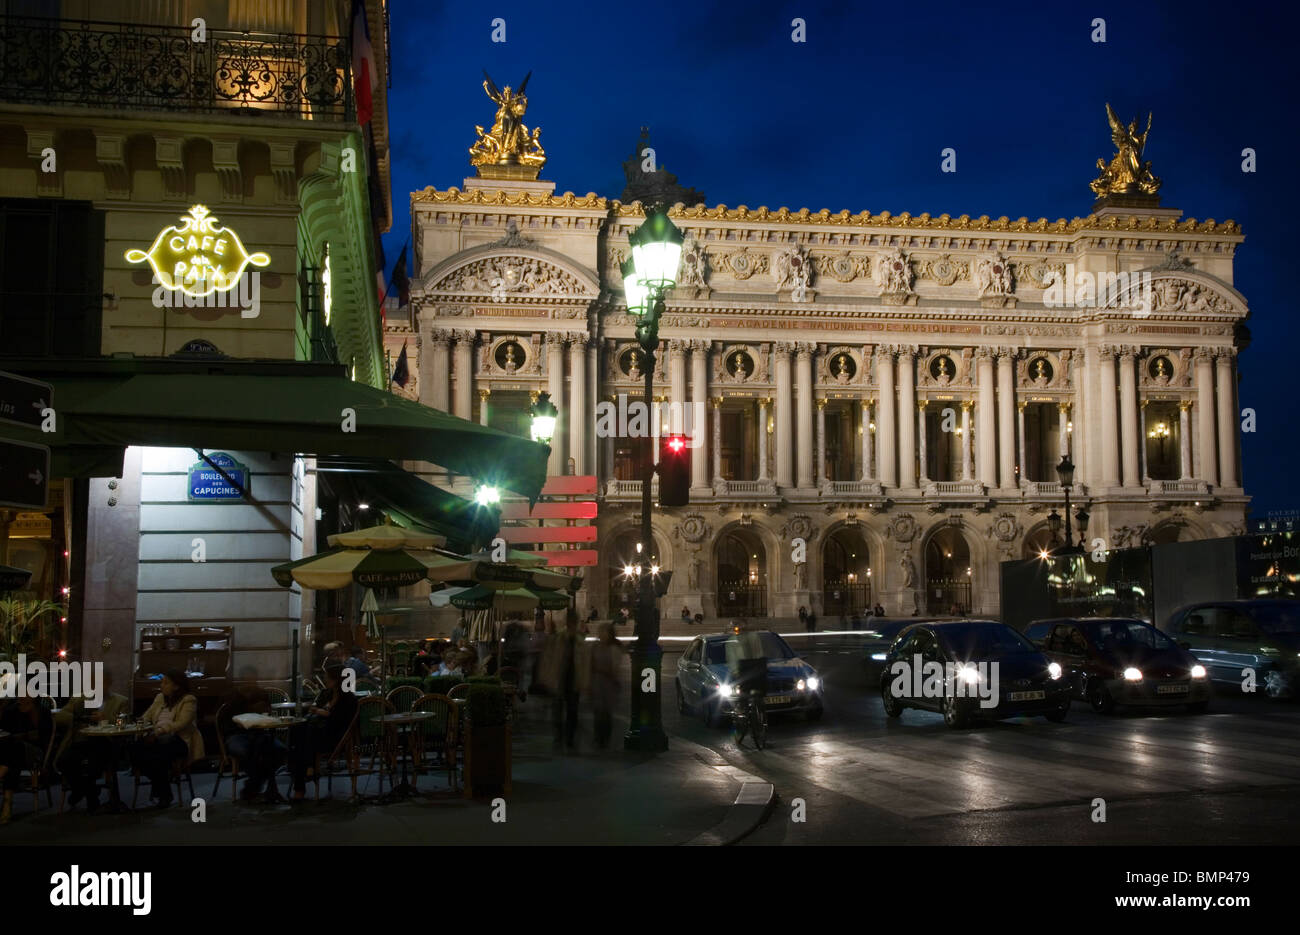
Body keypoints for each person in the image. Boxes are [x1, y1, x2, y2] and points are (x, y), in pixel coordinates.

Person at [55, 670, 128, 814]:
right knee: (63, 761)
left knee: (94, 763)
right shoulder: (79, 699)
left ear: (108, 683)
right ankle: (87, 790)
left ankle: (89, 798)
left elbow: (124, 723)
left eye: (100, 683)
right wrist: (80, 718)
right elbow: (60, 716)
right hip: (81, 741)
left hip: (105, 742)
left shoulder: (120, 701)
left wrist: (104, 718)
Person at [129, 670, 204, 808]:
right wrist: (139, 723)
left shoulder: (188, 699)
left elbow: (182, 723)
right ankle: (164, 790)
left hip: (178, 739)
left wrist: (159, 731)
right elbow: (147, 716)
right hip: (156, 738)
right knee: (133, 750)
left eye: (165, 683)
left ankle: (162, 793)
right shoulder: (160, 698)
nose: (161, 686)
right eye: (161, 682)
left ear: (176, 686)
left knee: (157, 752)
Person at [288, 664, 359, 801]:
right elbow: (313, 708)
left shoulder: (348, 699)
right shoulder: (326, 693)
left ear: (337, 680)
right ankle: (307, 770)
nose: (325, 679)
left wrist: (321, 712)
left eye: (327, 677)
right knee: (299, 730)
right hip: (317, 735)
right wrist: (321, 712)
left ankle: (301, 780)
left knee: (304, 734)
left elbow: (338, 720)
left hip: (334, 737)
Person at [219, 669, 286, 803]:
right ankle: (261, 788)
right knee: (250, 751)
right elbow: (226, 718)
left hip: (260, 732)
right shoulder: (232, 695)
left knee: (280, 750)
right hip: (236, 735)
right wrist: (249, 707)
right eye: (247, 680)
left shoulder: (261, 693)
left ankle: (252, 787)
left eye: (253, 680)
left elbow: (267, 712)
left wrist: (262, 709)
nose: (250, 683)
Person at [0, 694, 53, 824]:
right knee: (12, 756)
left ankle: (7, 804)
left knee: (14, 749)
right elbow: (4, 731)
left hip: (35, 753)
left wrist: (20, 736)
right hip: (13, 753)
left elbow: (42, 736)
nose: (22, 696)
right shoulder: (11, 710)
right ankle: (7, 804)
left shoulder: (41, 710)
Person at [546, 612, 582, 749]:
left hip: (573, 680)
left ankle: (569, 738)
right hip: (560, 679)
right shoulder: (560, 638)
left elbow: (584, 663)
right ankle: (560, 736)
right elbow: (551, 658)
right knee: (559, 710)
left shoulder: (579, 640)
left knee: (572, 711)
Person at [587, 623, 622, 749]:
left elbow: (614, 669)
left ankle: (605, 739)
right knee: (597, 712)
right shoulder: (595, 647)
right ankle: (598, 738)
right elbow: (590, 664)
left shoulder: (614, 649)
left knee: (606, 713)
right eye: (600, 632)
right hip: (597, 683)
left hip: (608, 684)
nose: (601, 635)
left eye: (604, 632)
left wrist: (599, 669)